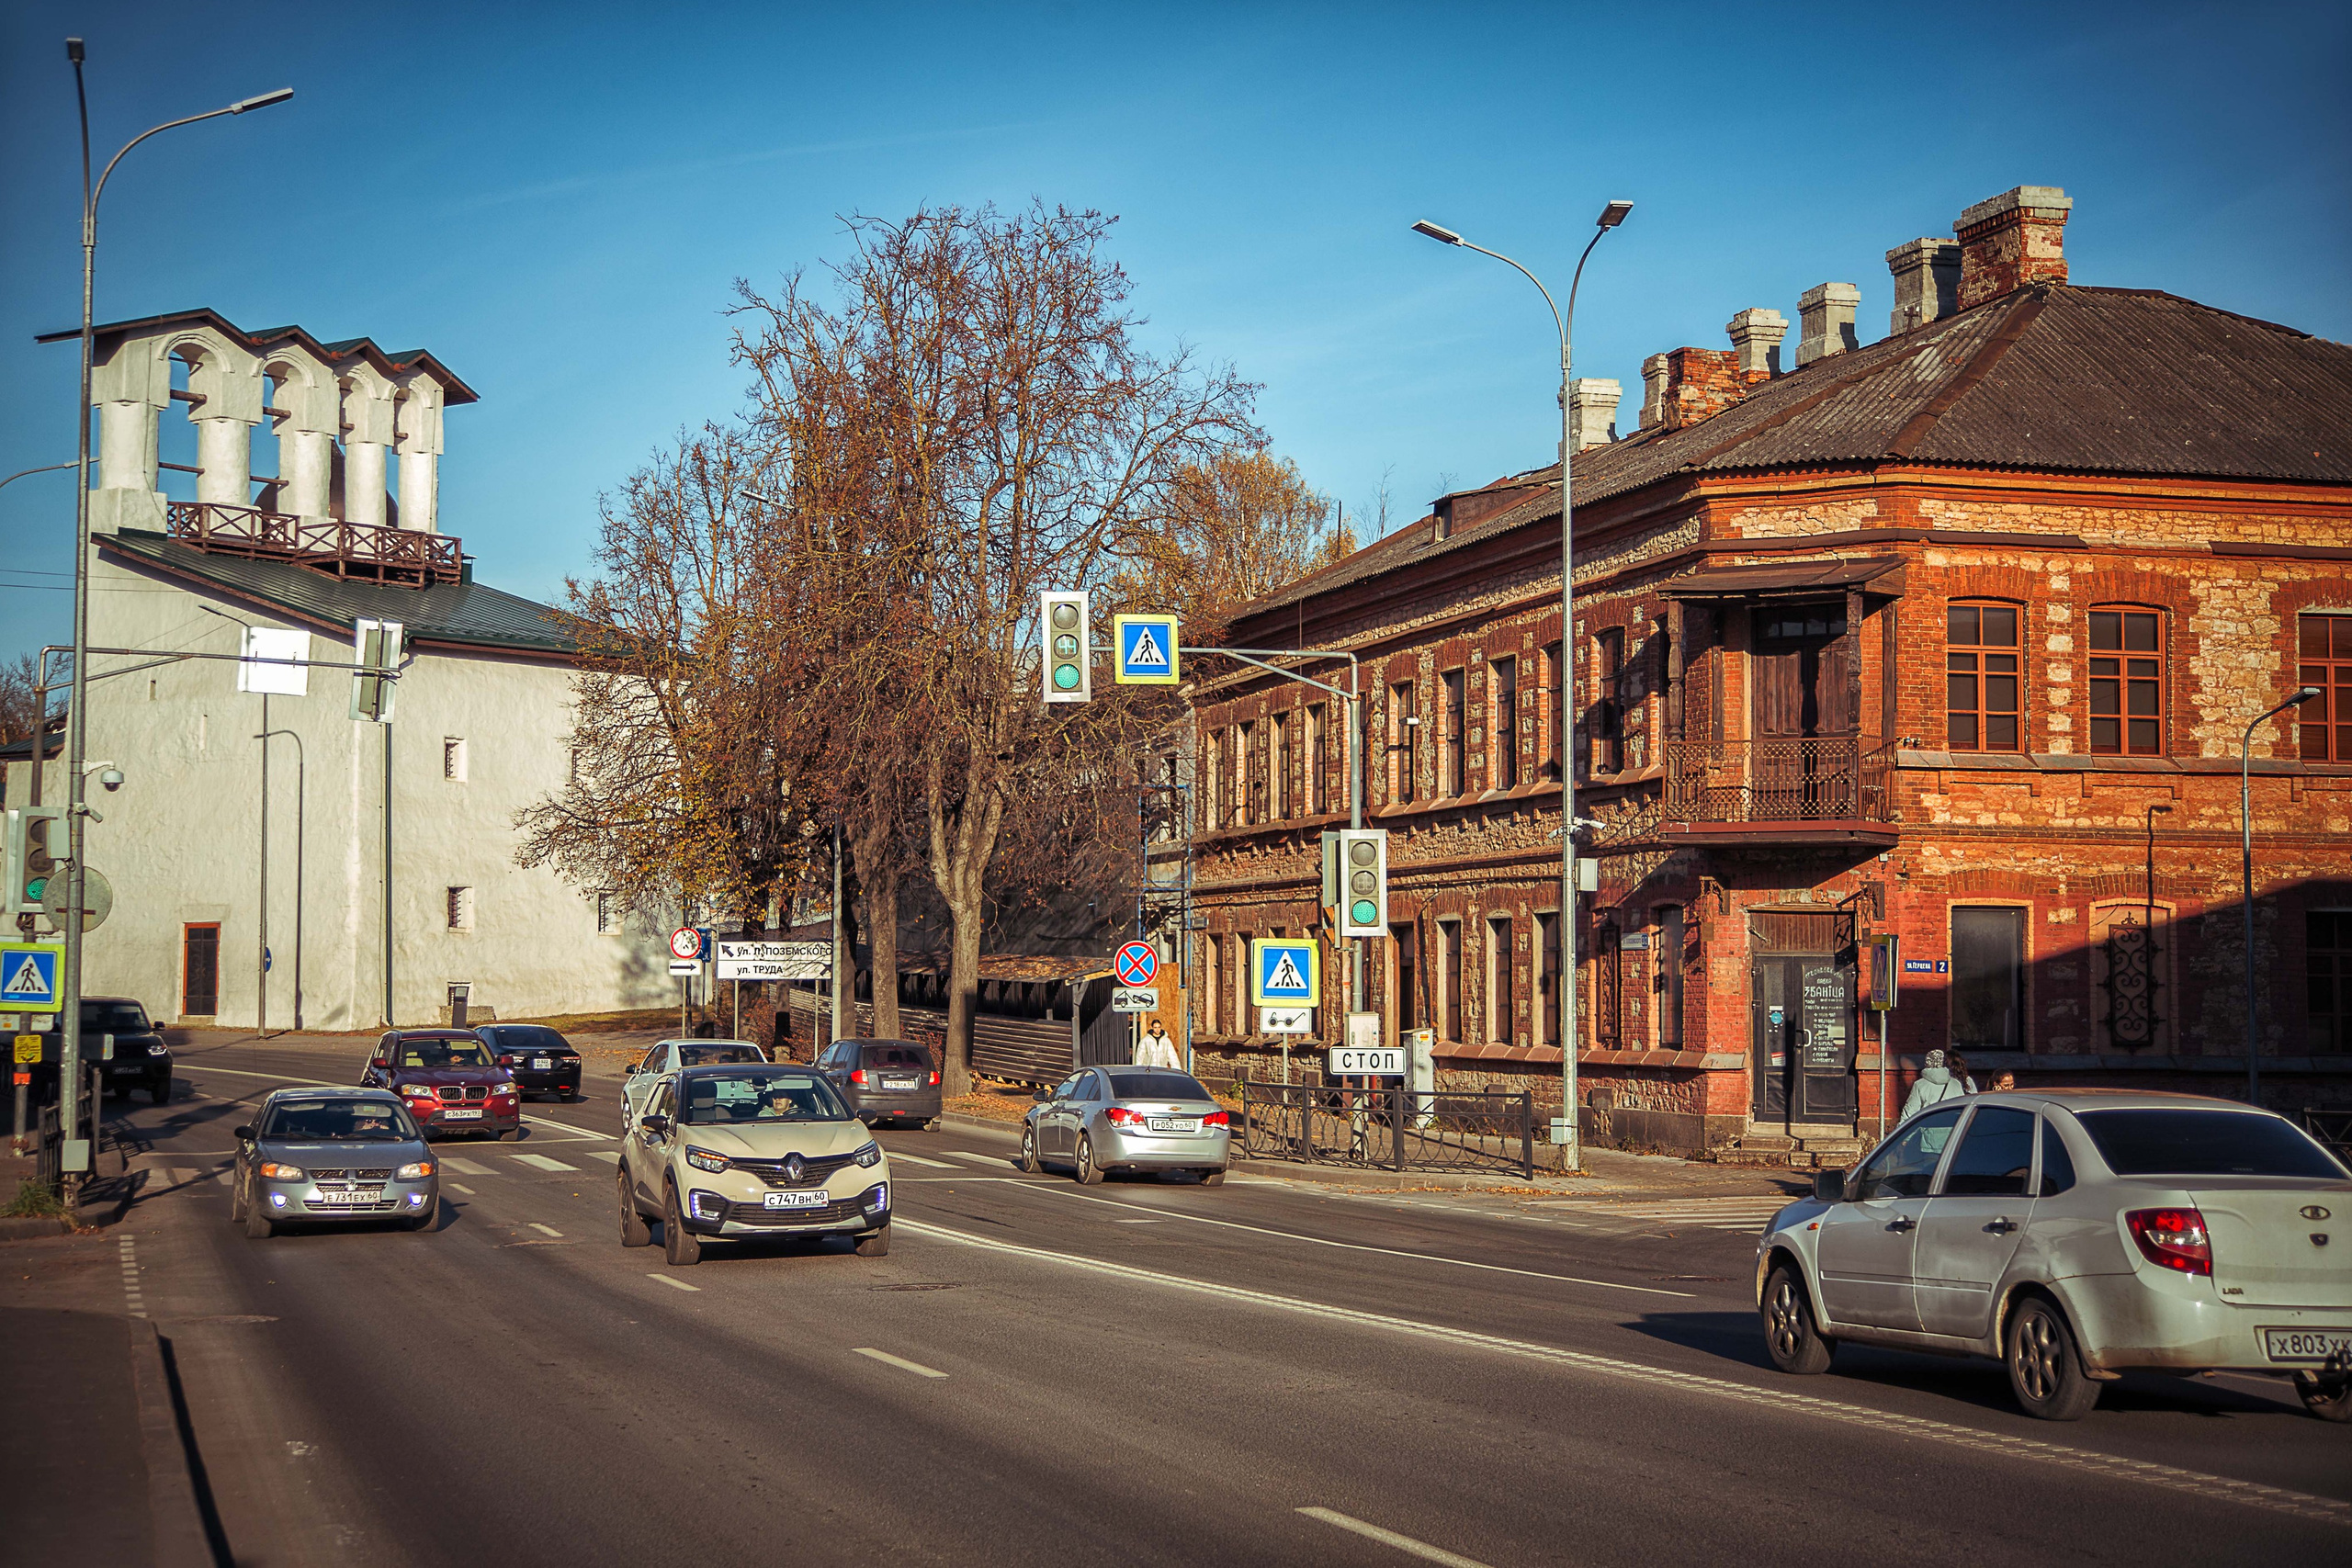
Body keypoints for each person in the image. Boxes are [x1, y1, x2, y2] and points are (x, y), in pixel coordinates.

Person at [1900, 1048, 1973, 1120]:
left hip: (1928, 1128)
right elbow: (1962, 1109)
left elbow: (1909, 1112)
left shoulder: (1919, 1085)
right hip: (1951, 1128)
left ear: (1927, 1063)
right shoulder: (1956, 1084)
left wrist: (1900, 1129)